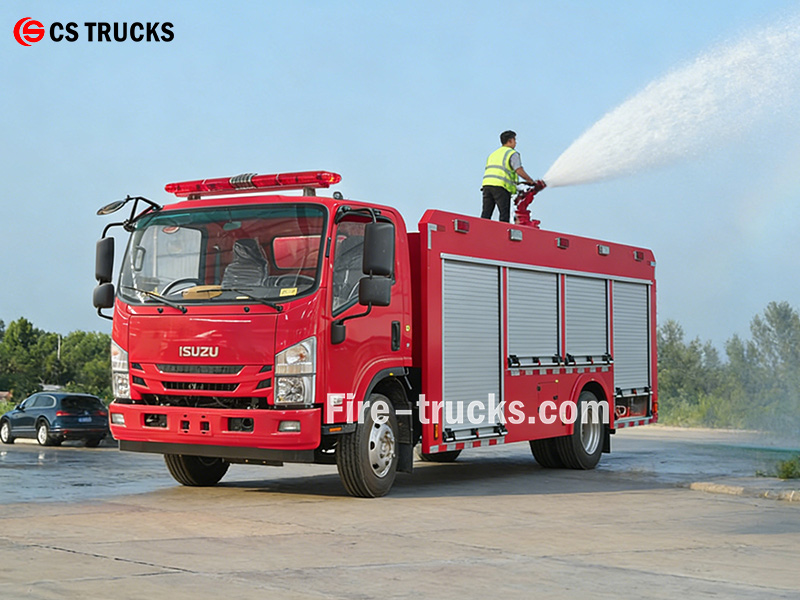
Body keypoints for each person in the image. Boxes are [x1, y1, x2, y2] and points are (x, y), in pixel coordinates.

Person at [481, 130, 541, 222]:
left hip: (487, 185)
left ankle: (481, 232)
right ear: (510, 141)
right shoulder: (512, 153)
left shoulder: (493, 154)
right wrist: (530, 180)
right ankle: (503, 234)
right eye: (514, 140)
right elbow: (518, 170)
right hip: (501, 186)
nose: (515, 142)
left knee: (486, 213)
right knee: (504, 214)